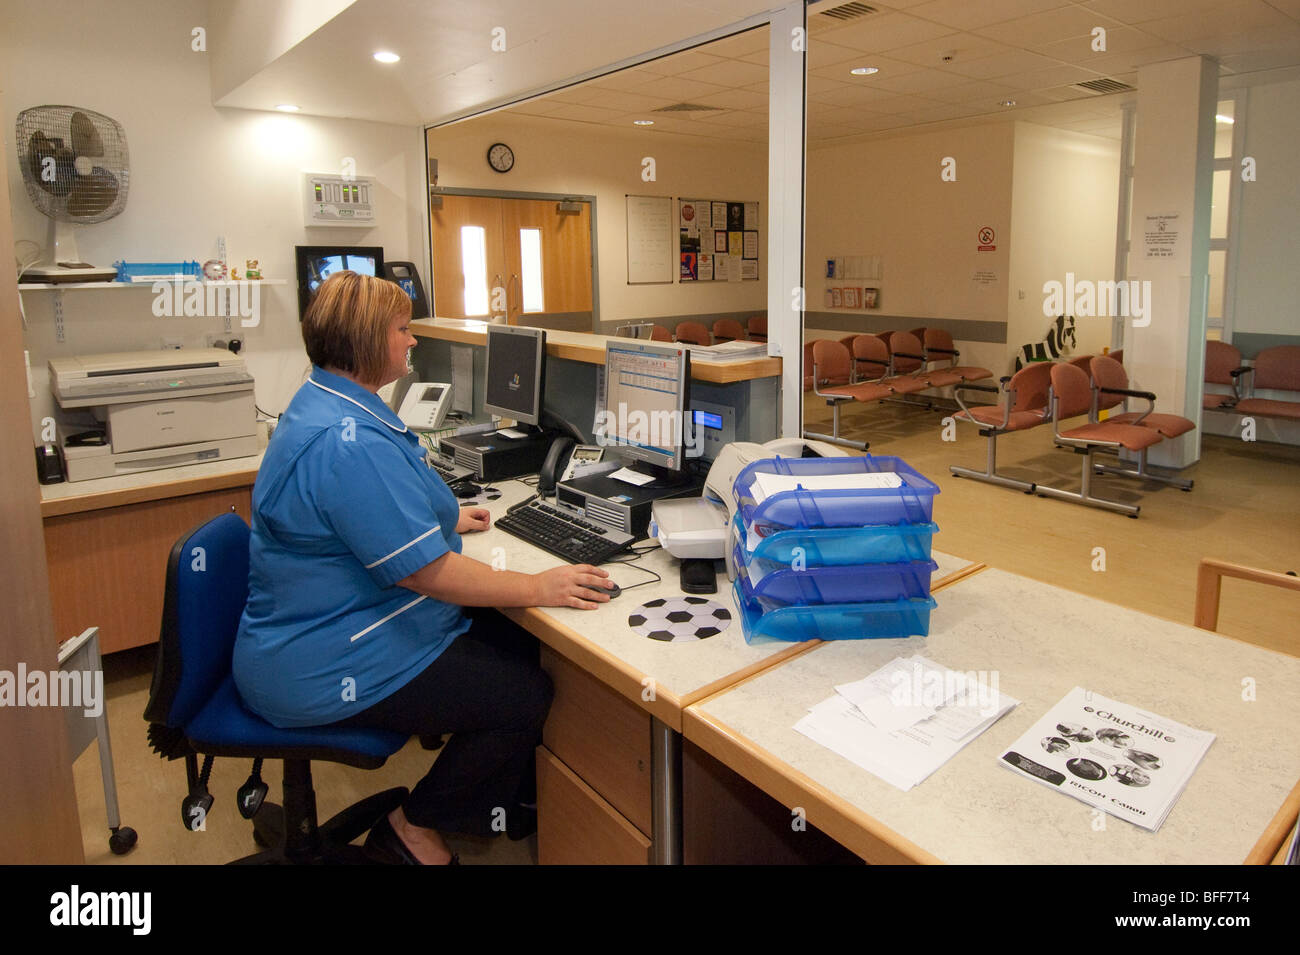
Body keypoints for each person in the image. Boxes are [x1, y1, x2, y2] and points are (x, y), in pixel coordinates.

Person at [232, 270, 614, 865]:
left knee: (514, 644)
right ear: (364, 342)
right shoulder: (345, 441)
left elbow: (367, 510)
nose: (412, 341)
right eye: (402, 329)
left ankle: (507, 802)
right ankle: (414, 825)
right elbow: (429, 575)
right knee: (523, 693)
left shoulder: (328, 403)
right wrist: (537, 584)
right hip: (322, 660)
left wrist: (438, 518)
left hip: (325, 625)